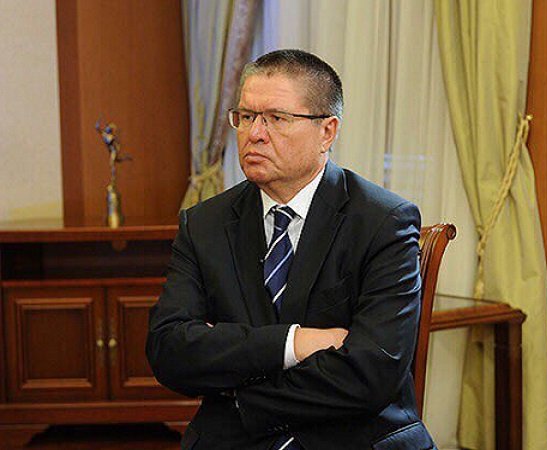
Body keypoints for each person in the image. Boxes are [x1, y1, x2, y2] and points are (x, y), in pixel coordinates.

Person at [146, 49, 436, 450]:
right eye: (246, 116)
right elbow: (169, 351)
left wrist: (239, 395)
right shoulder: (204, 224)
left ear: (327, 132)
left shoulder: (382, 221)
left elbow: (371, 373)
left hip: (349, 438)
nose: (254, 133)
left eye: (276, 118)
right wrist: (293, 344)